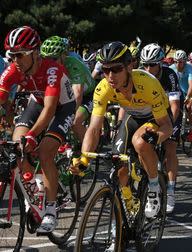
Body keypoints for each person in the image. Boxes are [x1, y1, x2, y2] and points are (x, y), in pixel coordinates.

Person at [79, 41, 173, 220]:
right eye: (105, 70)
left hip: (156, 117)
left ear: (130, 66)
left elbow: (167, 125)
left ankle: (154, 187)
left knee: (140, 142)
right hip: (133, 116)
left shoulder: (148, 84)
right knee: (117, 161)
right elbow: (94, 127)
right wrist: (84, 158)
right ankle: (129, 201)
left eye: (116, 69)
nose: (110, 76)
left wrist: (158, 137)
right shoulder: (103, 87)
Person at [0, 26, 76, 233]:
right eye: (12, 55)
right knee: (17, 148)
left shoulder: (52, 70)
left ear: (35, 53)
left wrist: (33, 135)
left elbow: (51, 109)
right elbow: (1, 98)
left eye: (20, 55)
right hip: (38, 103)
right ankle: (34, 193)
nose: (15, 60)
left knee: (44, 152)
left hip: (62, 107)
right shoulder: (13, 70)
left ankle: (51, 209)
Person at [140, 43, 181, 214]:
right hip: (151, 112)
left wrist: (169, 126)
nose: (148, 68)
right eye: (145, 65)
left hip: (170, 112)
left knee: (170, 147)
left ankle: (170, 191)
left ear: (160, 63)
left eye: (152, 64)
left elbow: (175, 106)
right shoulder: (141, 75)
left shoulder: (169, 74)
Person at [40, 36, 96, 143]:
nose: (49, 62)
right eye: (45, 59)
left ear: (63, 56)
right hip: (67, 94)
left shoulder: (74, 64)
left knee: (75, 122)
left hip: (87, 95)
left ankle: (89, 150)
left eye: (53, 59)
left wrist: (69, 116)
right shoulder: (46, 67)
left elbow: (78, 94)